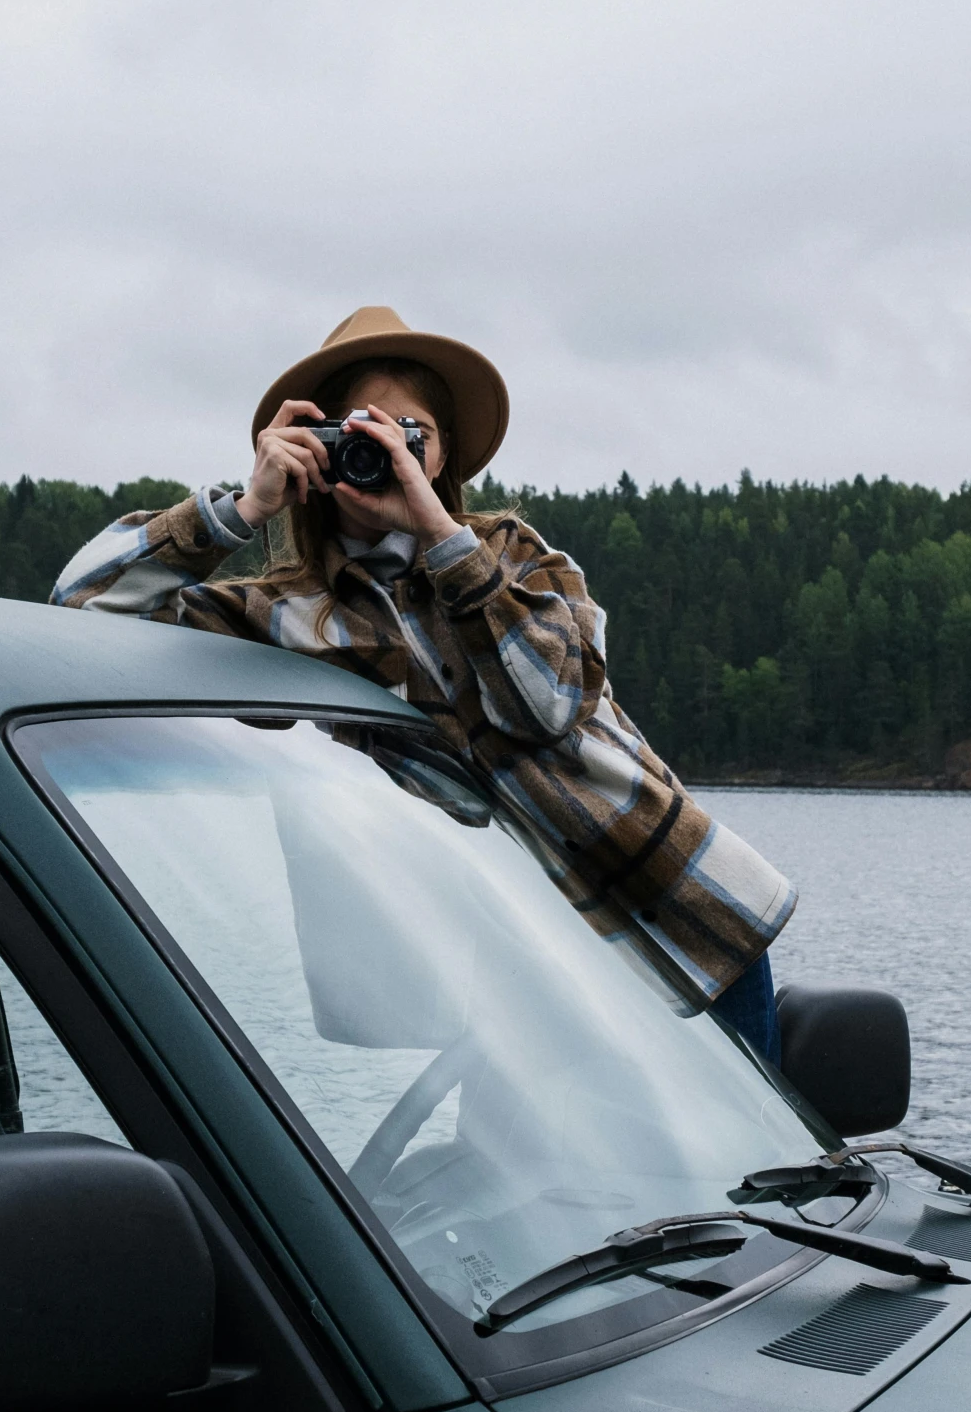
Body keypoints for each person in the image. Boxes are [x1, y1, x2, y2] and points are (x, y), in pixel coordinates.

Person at [51, 307, 796, 1061]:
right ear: (317, 449)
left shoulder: (515, 557)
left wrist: (443, 538)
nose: (385, 451)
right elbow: (81, 607)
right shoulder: (290, 616)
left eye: (409, 435)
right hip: (536, 983)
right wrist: (243, 506)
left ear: (441, 459)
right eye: (357, 434)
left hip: (687, 919)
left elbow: (549, 706)